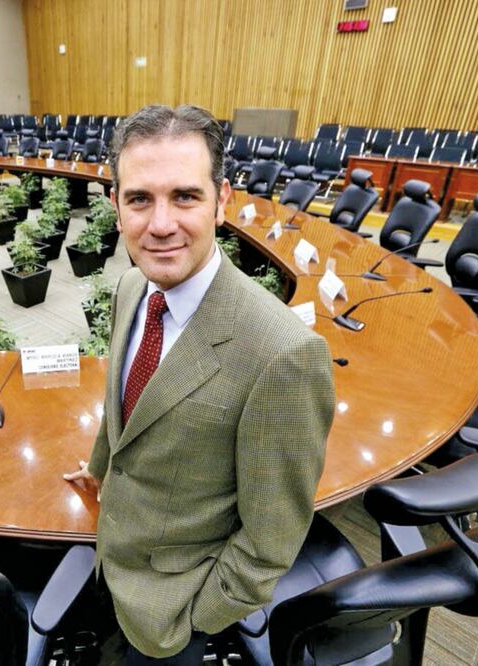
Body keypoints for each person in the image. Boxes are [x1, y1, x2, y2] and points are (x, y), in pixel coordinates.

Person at [65, 104, 335, 663]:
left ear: (221, 201)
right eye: (140, 199)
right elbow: (124, 404)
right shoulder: (131, 289)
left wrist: (196, 618)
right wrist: (98, 468)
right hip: (110, 560)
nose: (161, 224)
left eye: (185, 196)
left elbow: (271, 539)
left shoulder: (283, 354)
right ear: (116, 206)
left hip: (174, 614)